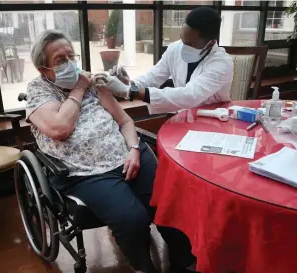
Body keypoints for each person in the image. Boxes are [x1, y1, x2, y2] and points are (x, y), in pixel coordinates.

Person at [25, 29, 197, 273]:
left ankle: (185, 260)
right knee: (132, 220)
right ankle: (143, 267)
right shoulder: (39, 91)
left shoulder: (93, 83)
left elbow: (125, 122)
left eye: (71, 57)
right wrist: (78, 89)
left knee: (169, 201)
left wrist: (134, 149)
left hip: (127, 154)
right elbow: (60, 128)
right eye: (60, 61)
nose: (70, 64)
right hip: (86, 171)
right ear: (45, 70)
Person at [95, 7, 234, 115]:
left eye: (190, 44)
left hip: (214, 119)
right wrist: (130, 84)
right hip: (183, 117)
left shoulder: (222, 64)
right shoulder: (175, 48)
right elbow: (154, 76)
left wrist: (129, 92)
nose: (183, 47)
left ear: (210, 43)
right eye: (182, 39)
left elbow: (190, 96)